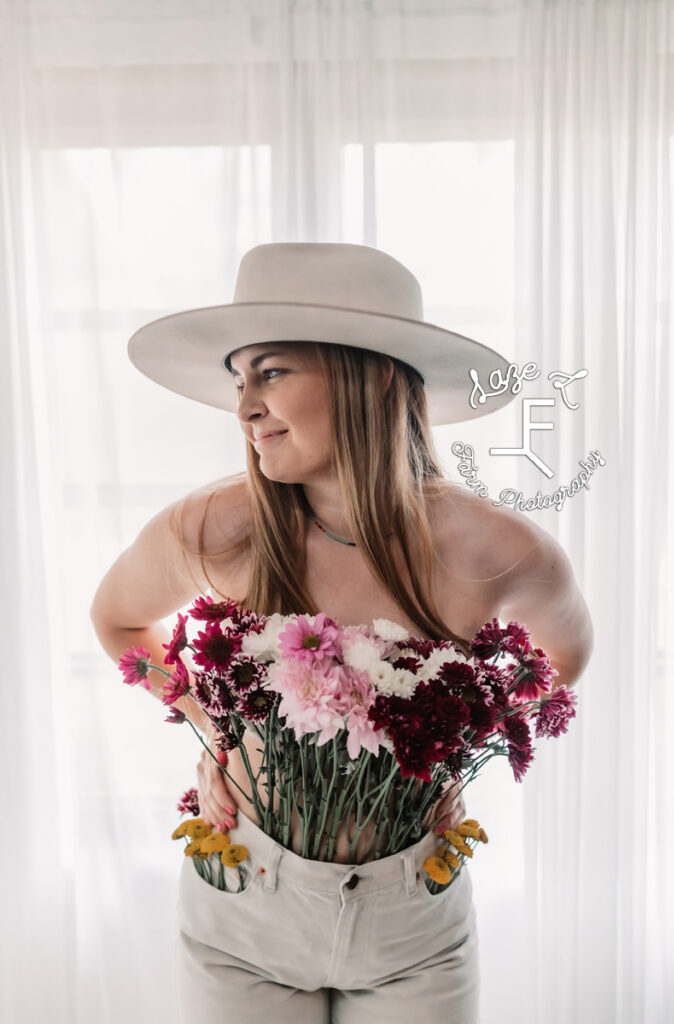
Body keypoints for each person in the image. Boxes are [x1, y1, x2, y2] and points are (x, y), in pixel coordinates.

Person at [91, 242, 594, 1023]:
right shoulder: (217, 528)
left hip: (412, 930)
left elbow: (565, 655)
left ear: (377, 373)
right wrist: (214, 732)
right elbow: (118, 619)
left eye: (272, 372)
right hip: (242, 912)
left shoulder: (497, 548)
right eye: (240, 379)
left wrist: (456, 754)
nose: (245, 407)